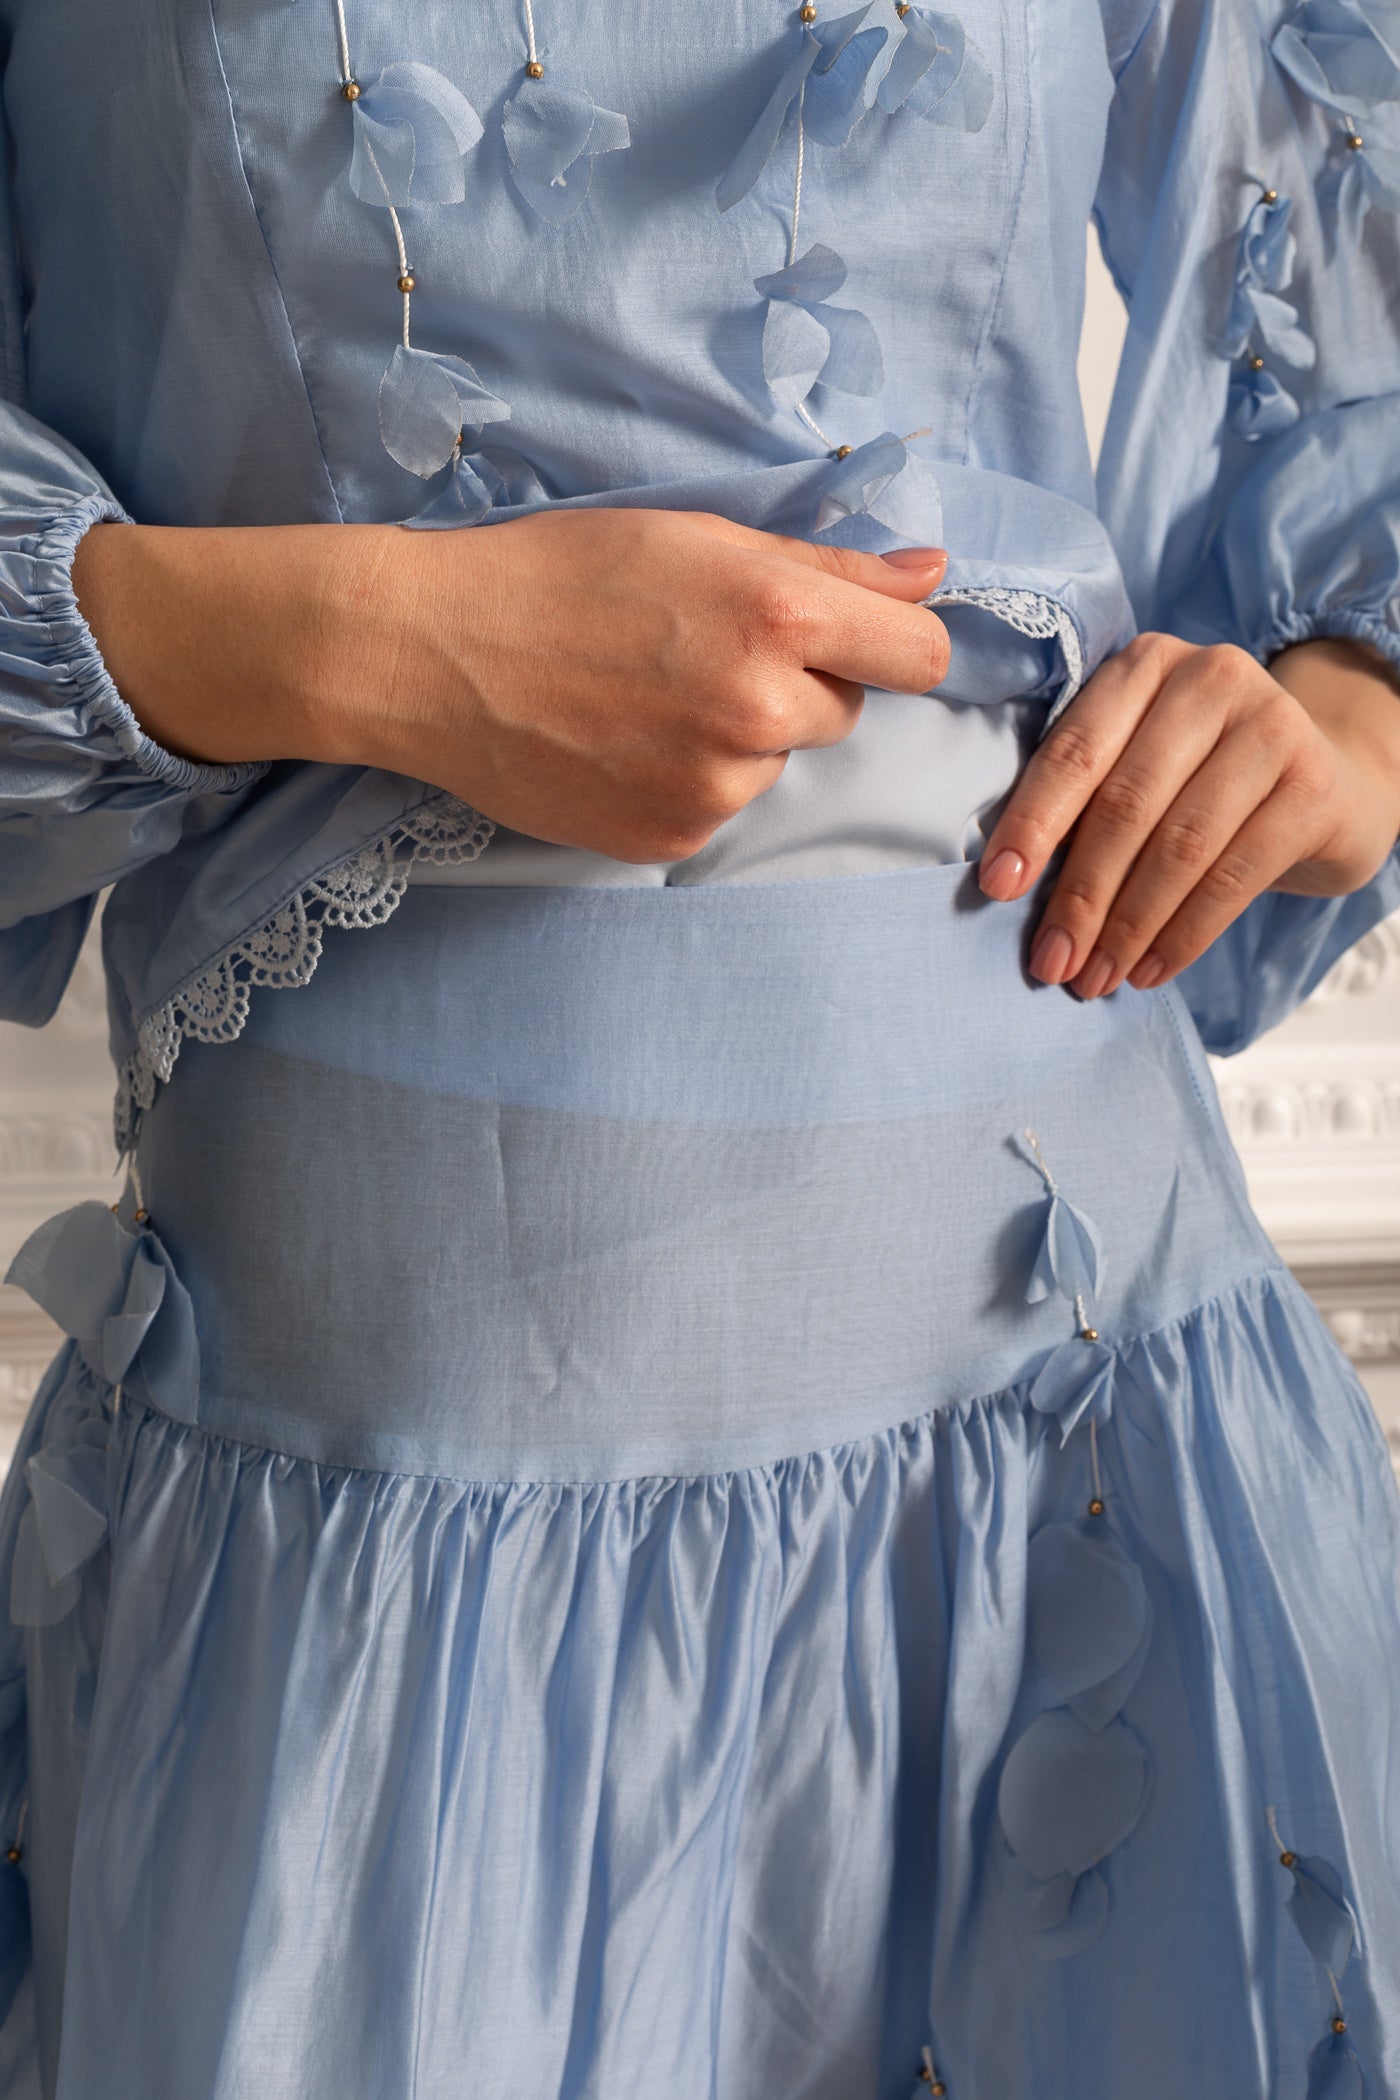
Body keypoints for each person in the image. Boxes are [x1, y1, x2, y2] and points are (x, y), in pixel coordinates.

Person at [0, 0, 1398, 2094]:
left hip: (1084, 1459)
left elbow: (1352, 387)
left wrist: (1348, 716)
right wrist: (390, 638)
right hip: (372, 1564)